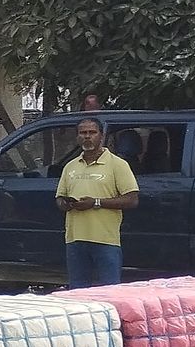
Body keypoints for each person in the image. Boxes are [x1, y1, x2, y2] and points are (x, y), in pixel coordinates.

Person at [56, 118, 140, 288]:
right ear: (77, 137)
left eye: (92, 132)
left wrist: (95, 203)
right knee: (78, 291)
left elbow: (132, 200)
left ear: (101, 136)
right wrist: (65, 204)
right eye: (83, 133)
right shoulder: (70, 166)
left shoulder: (117, 165)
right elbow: (60, 197)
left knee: (109, 291)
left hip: (105, 240)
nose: (87, 137)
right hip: (75, 239)